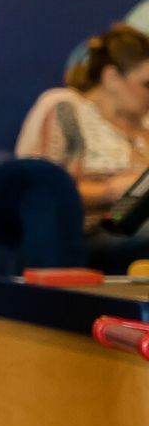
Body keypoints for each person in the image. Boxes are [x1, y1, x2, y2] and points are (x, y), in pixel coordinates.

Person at [16, 23, 149, 271]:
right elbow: (37, 193)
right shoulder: (65, 107)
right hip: (87, 234)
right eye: (147, 85)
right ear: (111, 77)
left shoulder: (146, 123)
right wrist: (108, 192)